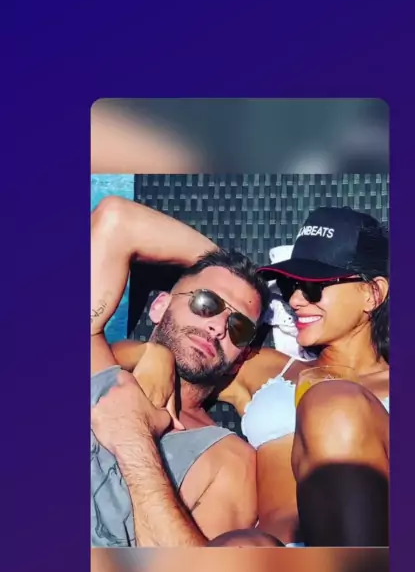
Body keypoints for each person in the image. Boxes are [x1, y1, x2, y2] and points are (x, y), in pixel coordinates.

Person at [107, 198, 389, 546]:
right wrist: (154, 352)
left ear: (373, 293)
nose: (296, 300)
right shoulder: (261, 367)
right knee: (242, 544)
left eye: (314, 287)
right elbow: (119, 221)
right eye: (290, 286)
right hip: (275, 561)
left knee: (333, 402)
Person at [91, 196, 270, 546]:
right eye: (206, 302)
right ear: (160, 306)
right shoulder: (95, 360)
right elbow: (115, 219)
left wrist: (134, 440)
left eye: (238, 327)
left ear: (242, 356)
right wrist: (220, 261)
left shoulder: (229, 461)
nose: (217, 326)